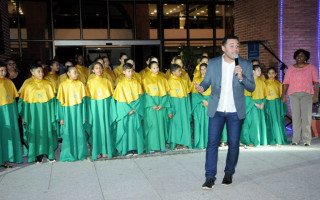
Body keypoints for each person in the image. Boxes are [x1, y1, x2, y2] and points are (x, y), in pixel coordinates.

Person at [194, 35, 255, 189]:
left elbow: (251, 87)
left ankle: (229, 172)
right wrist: (201, 88)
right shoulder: (213, 63)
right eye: (232, 45)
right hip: (217, 110)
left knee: (234, 144)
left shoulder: (245, 64)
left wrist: (241, 77)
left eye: (237, 46)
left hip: (235, 112)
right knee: (212, 143)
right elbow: (206, 81)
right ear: (223, 48)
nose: (235, 49)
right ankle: (209, 177)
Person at [18, 64, 57, 163]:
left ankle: (49, 153)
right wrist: (23, 115)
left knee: (47, 131)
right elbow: (23, 102)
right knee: (35, 132)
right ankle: (37, 155)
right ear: (32, 72)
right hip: (33, 115)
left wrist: (54, 114)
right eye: (38, 71)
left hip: (46, 114)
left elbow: (53, 102)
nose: (41, 73)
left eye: (42, 71)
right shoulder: (27, 85)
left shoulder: (48, 84)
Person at [282, 49, 319, 146]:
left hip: (307, 95)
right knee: (295, 117)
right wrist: (284, 96)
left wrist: (315, 95)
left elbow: (316, 82)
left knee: (306, 117)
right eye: (297, 56)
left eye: (302, 56)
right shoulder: (291, 69)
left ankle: (307, 140)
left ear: (306, 57)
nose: (299, 57)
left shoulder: (311, 68)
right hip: (293, 95)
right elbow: (285, 83)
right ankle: (295, 139)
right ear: (295, 57)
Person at [57, 66, 91, 162]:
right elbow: (60, 103)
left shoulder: (80, 84)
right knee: (68, 132)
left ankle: (82, 154)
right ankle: (68, 155)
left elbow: (84, 102)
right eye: (74, 72)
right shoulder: (63, 85)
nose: (77, 74)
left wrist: (84, 115)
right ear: (68, 73)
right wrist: (61, 117)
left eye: (77, 72)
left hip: (79, 111)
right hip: (67, 112)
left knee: (80, 131)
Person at [87, 62, 116, 159]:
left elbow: (111, 98)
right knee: (96, 129)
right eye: (96, 68)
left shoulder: (107, 81)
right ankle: (97, 151)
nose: (99, 70)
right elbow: (88, 99)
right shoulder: (90, 82)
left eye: (100, 68)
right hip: (95, 109)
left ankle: (105, 150)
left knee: (105, 128)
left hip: (105, 108)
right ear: (93, 70)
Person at [113, 63, 144, 156]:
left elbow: (140, 98)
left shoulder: (137, 83)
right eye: (128, 71)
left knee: (135, 129)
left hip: (135, 111)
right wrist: (127, 110)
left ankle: (135, 148)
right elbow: (120, 101)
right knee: (125, 130)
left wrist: (134, 109)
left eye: (132, 71)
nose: (130, 73)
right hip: (126, 112)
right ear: (123, 72)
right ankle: (125, 149)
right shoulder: (120, 84)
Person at [142, 61, 170, 154]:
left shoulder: (163, 79)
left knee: (160, 125)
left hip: (160, 105)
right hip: (151, 106)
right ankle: (151, 147)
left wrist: (162, 104)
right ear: (150, 69)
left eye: (157, 67)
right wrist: (152, 104)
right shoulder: (146, 79)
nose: (156, 69)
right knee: (152, 125)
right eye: (154, 68)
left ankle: (162, 145)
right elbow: (145, 94)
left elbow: (166, 94)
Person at [0, 63, 23, 168]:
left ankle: (6, 158)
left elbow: (14, 99)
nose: (3, 73)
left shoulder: (9, 82)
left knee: (7, 135)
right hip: (1, 113)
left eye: (4, 70)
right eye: (1, 70)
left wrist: (15, 114)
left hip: (9, 112)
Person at [240, 64, 267, 147]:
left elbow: (265, 94)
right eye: (258, 70)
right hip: (252, 105)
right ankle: (250, 140)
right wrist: (255, 104)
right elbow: (247, 96)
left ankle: (260, 140)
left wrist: (262, 103)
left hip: (260, 105)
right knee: (252, 123)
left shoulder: (262, 82)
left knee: (260, 123)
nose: (260, 72)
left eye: (260, 70)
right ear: (253, 71)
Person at [167, 64, 192, 150]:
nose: (181, 72)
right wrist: (169, 110)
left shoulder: (183, 81)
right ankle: (174, 144)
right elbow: (168, 98)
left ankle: (184, 143)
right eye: (179, 71)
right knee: (175, 125)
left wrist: (188, 109)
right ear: (173, 72)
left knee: (184, 124)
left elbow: (187, 97)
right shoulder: (169, 82)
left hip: (183, 106)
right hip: (175, 107)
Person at [265, 67, 289, 145]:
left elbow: (282, 95)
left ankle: (279, 138)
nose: (271, 75)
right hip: (269, 103)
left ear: (275, 74)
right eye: (269, 73)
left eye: (273, 73)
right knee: (271, 120)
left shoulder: (278, 83)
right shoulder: (265, 83)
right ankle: (272, 138)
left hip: (277, 103)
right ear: (267, 74)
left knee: (278, 120)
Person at [191, 63, 211, 149]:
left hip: (210, 104)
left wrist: (209, 102)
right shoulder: (196, 79)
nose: (203, 71)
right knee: (200, 124)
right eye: (201, 69)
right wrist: (203, 100)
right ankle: (200, 143)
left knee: (210, 124)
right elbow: (194, 94)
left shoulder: (212, 79)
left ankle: (209, 143)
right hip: (200, 104)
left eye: (205, 69)